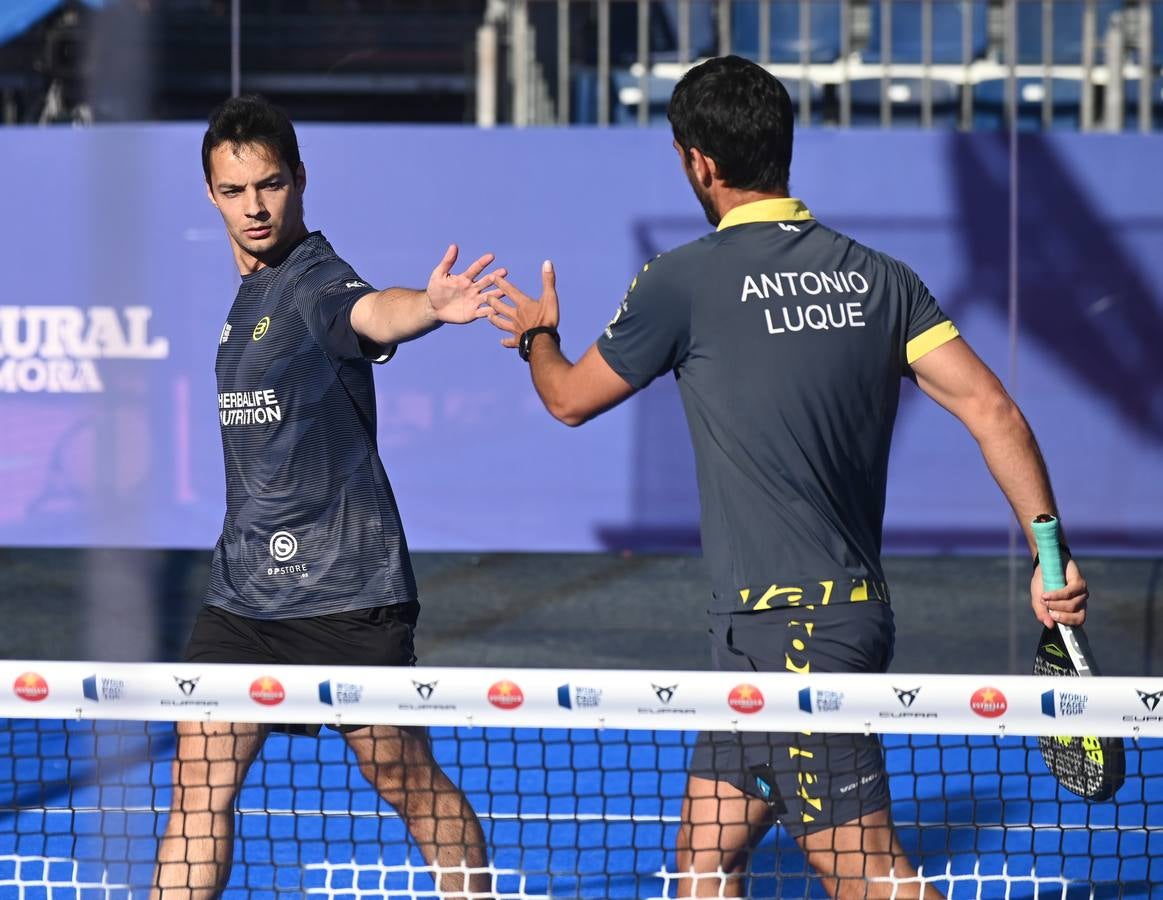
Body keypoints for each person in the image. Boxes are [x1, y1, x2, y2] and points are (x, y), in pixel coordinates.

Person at [484, 56, 1088, 899]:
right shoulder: (880, 279)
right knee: (705, 858)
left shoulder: (682, 280)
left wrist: (535, 338)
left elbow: (568, 401)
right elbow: (996, 413)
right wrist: (1048, 554)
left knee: (863, 872)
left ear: (697, 160)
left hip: (796, 637)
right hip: (783, 632)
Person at [151, 94, 498, 900]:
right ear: (211, 195)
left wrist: (429, 309)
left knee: (402, 778)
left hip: (349, 596)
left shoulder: (315, 282)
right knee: (198, 790)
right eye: (235, 191)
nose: (255, 207)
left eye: (269, 185)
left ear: (299, 180)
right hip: (243, 600)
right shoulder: (246, 302)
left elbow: (369, 312)